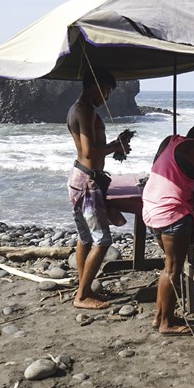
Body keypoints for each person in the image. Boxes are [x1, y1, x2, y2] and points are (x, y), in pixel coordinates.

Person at [141, 123, 194, 334]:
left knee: (169, 266)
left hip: (152, 207)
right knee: (172, 269)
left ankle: (160, 317)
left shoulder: (168, 141)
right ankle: (165, 323)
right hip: (172, 212)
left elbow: (166, 170)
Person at [66, 68, 134, 310]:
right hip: (87, 181)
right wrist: (115, 145)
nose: (106, 97)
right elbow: (88, 152)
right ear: (95, 85)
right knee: (102, 240)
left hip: (81, 177)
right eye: (106, 91)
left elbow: (94, 148)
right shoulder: (84, 110)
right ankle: (82, 296)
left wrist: (115, 148)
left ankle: (83, 286)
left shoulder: (79, 108)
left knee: (85, 238)